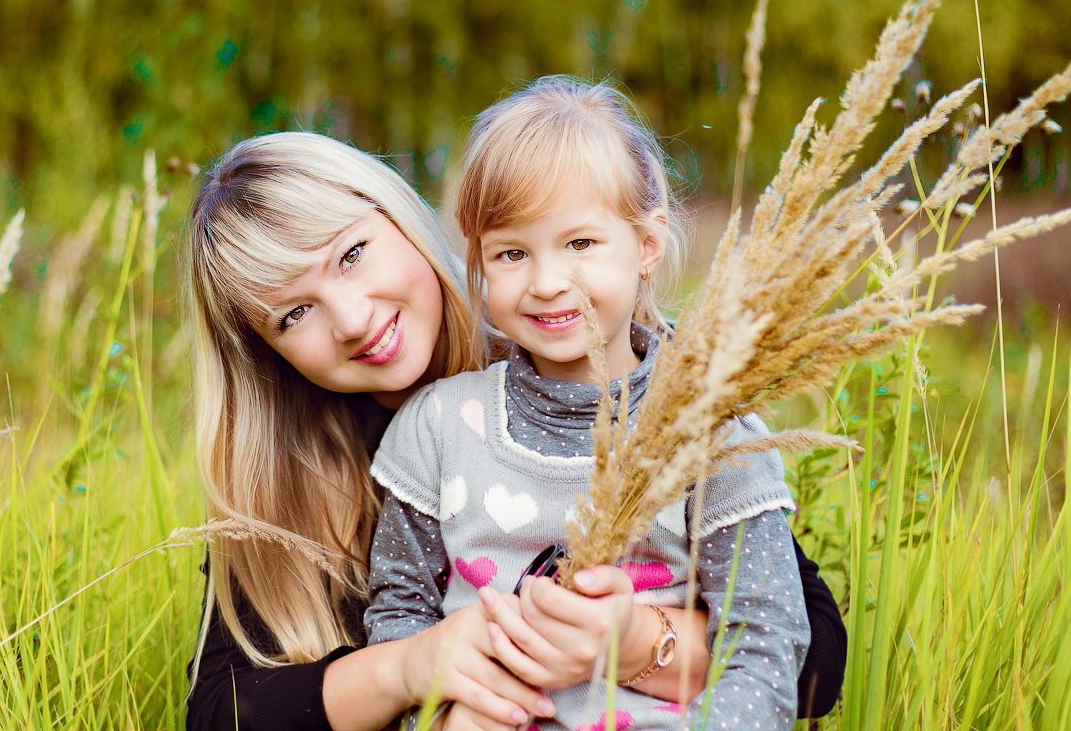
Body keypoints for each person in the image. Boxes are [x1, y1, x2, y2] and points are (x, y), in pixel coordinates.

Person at [184, 130, 845, 731]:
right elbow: (219, 712)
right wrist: (410, 671)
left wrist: (630, 643)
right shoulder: (283, 476)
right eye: (294, 314)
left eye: (351, 255)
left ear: (401, 218)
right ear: (266, 351)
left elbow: (812, 656)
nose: (352, 319)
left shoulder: (575, 365)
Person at [364, 76, 813, 731]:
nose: (548, 282)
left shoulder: (712, 435)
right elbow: (398, 617)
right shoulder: (437, 428)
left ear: (647, 246)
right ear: (479, 263)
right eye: (511, 253)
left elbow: (767, 648)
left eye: (580, 244)